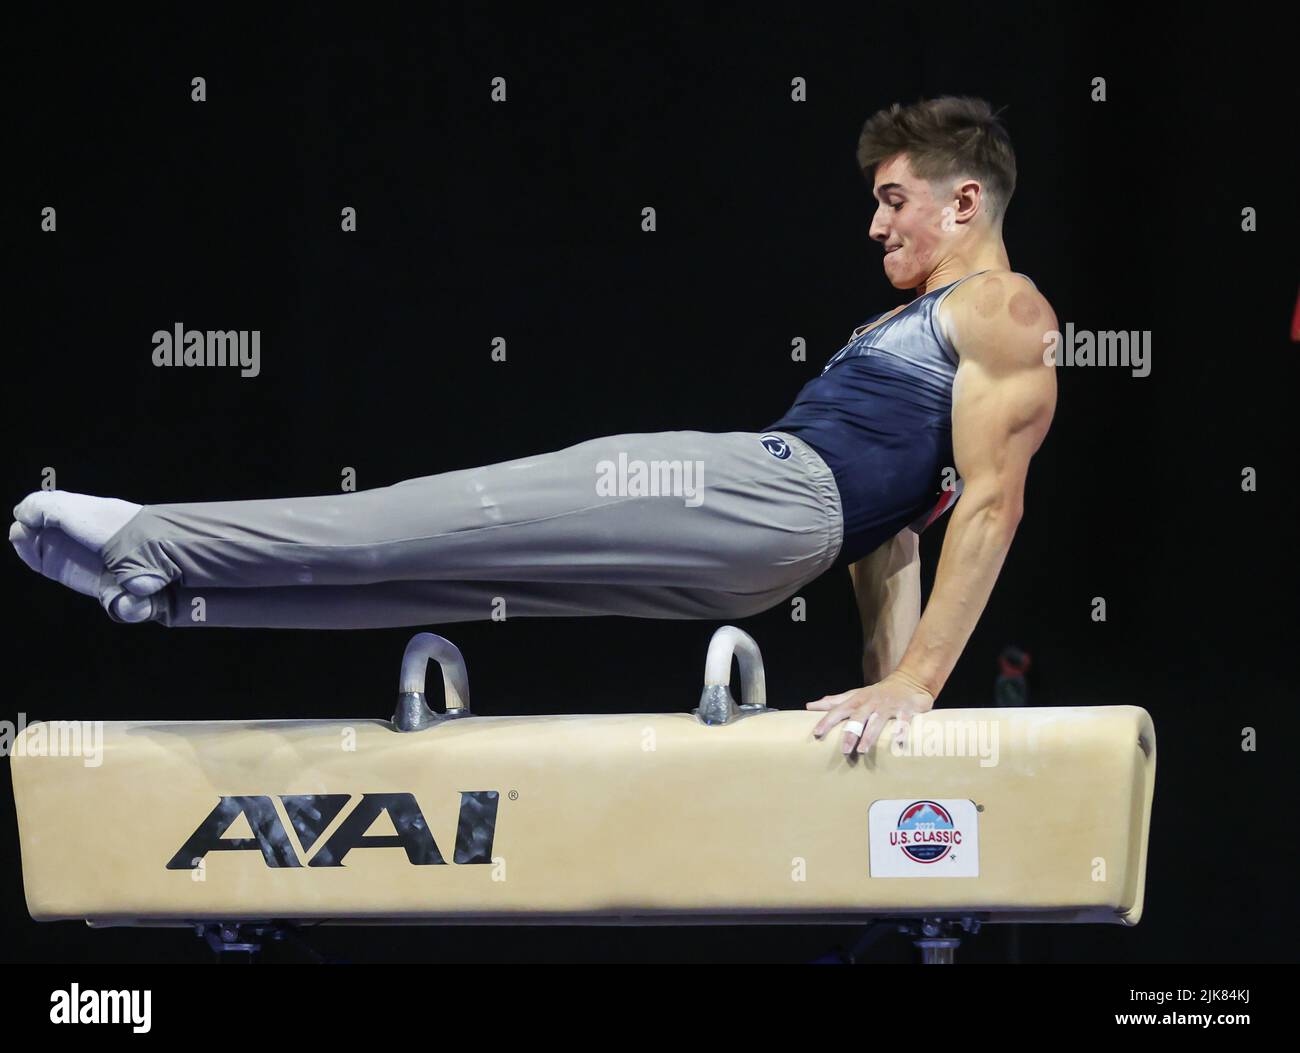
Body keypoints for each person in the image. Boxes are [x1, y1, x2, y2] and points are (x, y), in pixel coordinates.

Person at [10, 96, 1057, 757]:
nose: (873, 225)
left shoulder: (999, 311)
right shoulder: (898, 324)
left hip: (769, 496)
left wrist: (914, 686)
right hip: (778, 550)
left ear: (964, 203)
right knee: (456, 580)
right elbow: (896, 537)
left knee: (452, 518)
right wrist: (884, 689)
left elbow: (993, 504)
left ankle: (149, 533)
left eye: (890, 201)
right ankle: (168, 593)